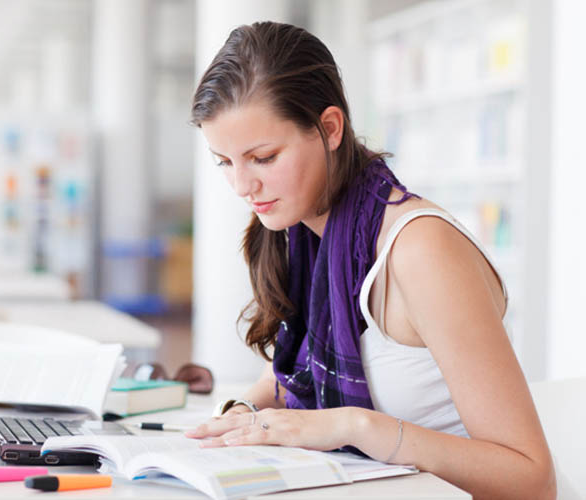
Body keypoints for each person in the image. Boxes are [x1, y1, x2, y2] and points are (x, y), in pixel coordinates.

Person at [184, 21, 555, 500]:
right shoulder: (303, 233)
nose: (241, 186)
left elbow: (532, 479)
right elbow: (281, 381)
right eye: (224, 161)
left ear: (330, 129)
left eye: (264, 157)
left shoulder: (421, 250)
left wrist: (358, 427)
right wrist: (238, 414)